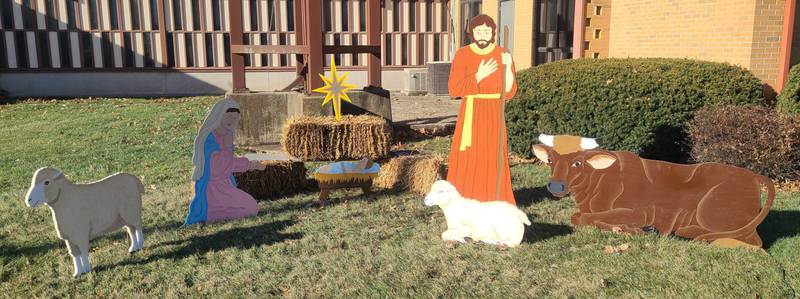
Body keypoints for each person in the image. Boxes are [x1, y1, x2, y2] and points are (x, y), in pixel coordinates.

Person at [447, 14, 517, 205]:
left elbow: (509, 91)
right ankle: (466, 198)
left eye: (486, 31)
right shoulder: (463, 55)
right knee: (469, 156)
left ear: (493, 32)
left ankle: (495, 198)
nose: (482, 35)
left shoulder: (502, 53)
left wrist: (508, 67)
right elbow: (454, 89)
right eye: (478, 31)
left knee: (492, 156)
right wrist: (478, 76)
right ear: (472, 33)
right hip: (472, 111)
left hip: (494, 112)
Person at [184, 98, 266, 226]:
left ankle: (215, 212)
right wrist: (250, 164)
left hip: (225, 185)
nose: (232, 121)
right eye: (229, 116)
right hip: (212, 188)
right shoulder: (209, 139)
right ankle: (208, 215)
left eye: (235, 118)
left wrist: (250, 164)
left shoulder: (226, 135)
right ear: (219, 115)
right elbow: (218, 167)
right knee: (250, 208)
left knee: (251, 206)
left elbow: (228, 164)